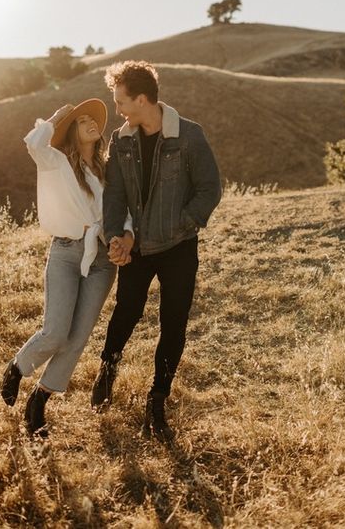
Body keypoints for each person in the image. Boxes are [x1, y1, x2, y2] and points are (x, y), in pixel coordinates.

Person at [91, 61, 222, 441]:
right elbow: (114, 192)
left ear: (142, 99)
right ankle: (107, 372)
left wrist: (184, 223)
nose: (117, 110)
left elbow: (209, 189)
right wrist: (116, 235)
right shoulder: (122, 139)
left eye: (120, 101)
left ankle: (157, 400)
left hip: (179, 246)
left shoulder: (189, 135)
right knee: (126, 313)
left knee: (173, 323)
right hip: (138, 248)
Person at [1, 99, 132, 437]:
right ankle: (17, 367)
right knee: (56, 331)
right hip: (66, 252)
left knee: (77, 339)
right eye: (82, 120)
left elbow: (124, 210)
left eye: (93, 120)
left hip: (103, 260)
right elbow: (33, 143)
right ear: (72, 131)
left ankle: (39, 402)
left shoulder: (109, 169)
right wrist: (57, 117)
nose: (90, 123)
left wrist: (125, 236)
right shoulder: (55, 161)